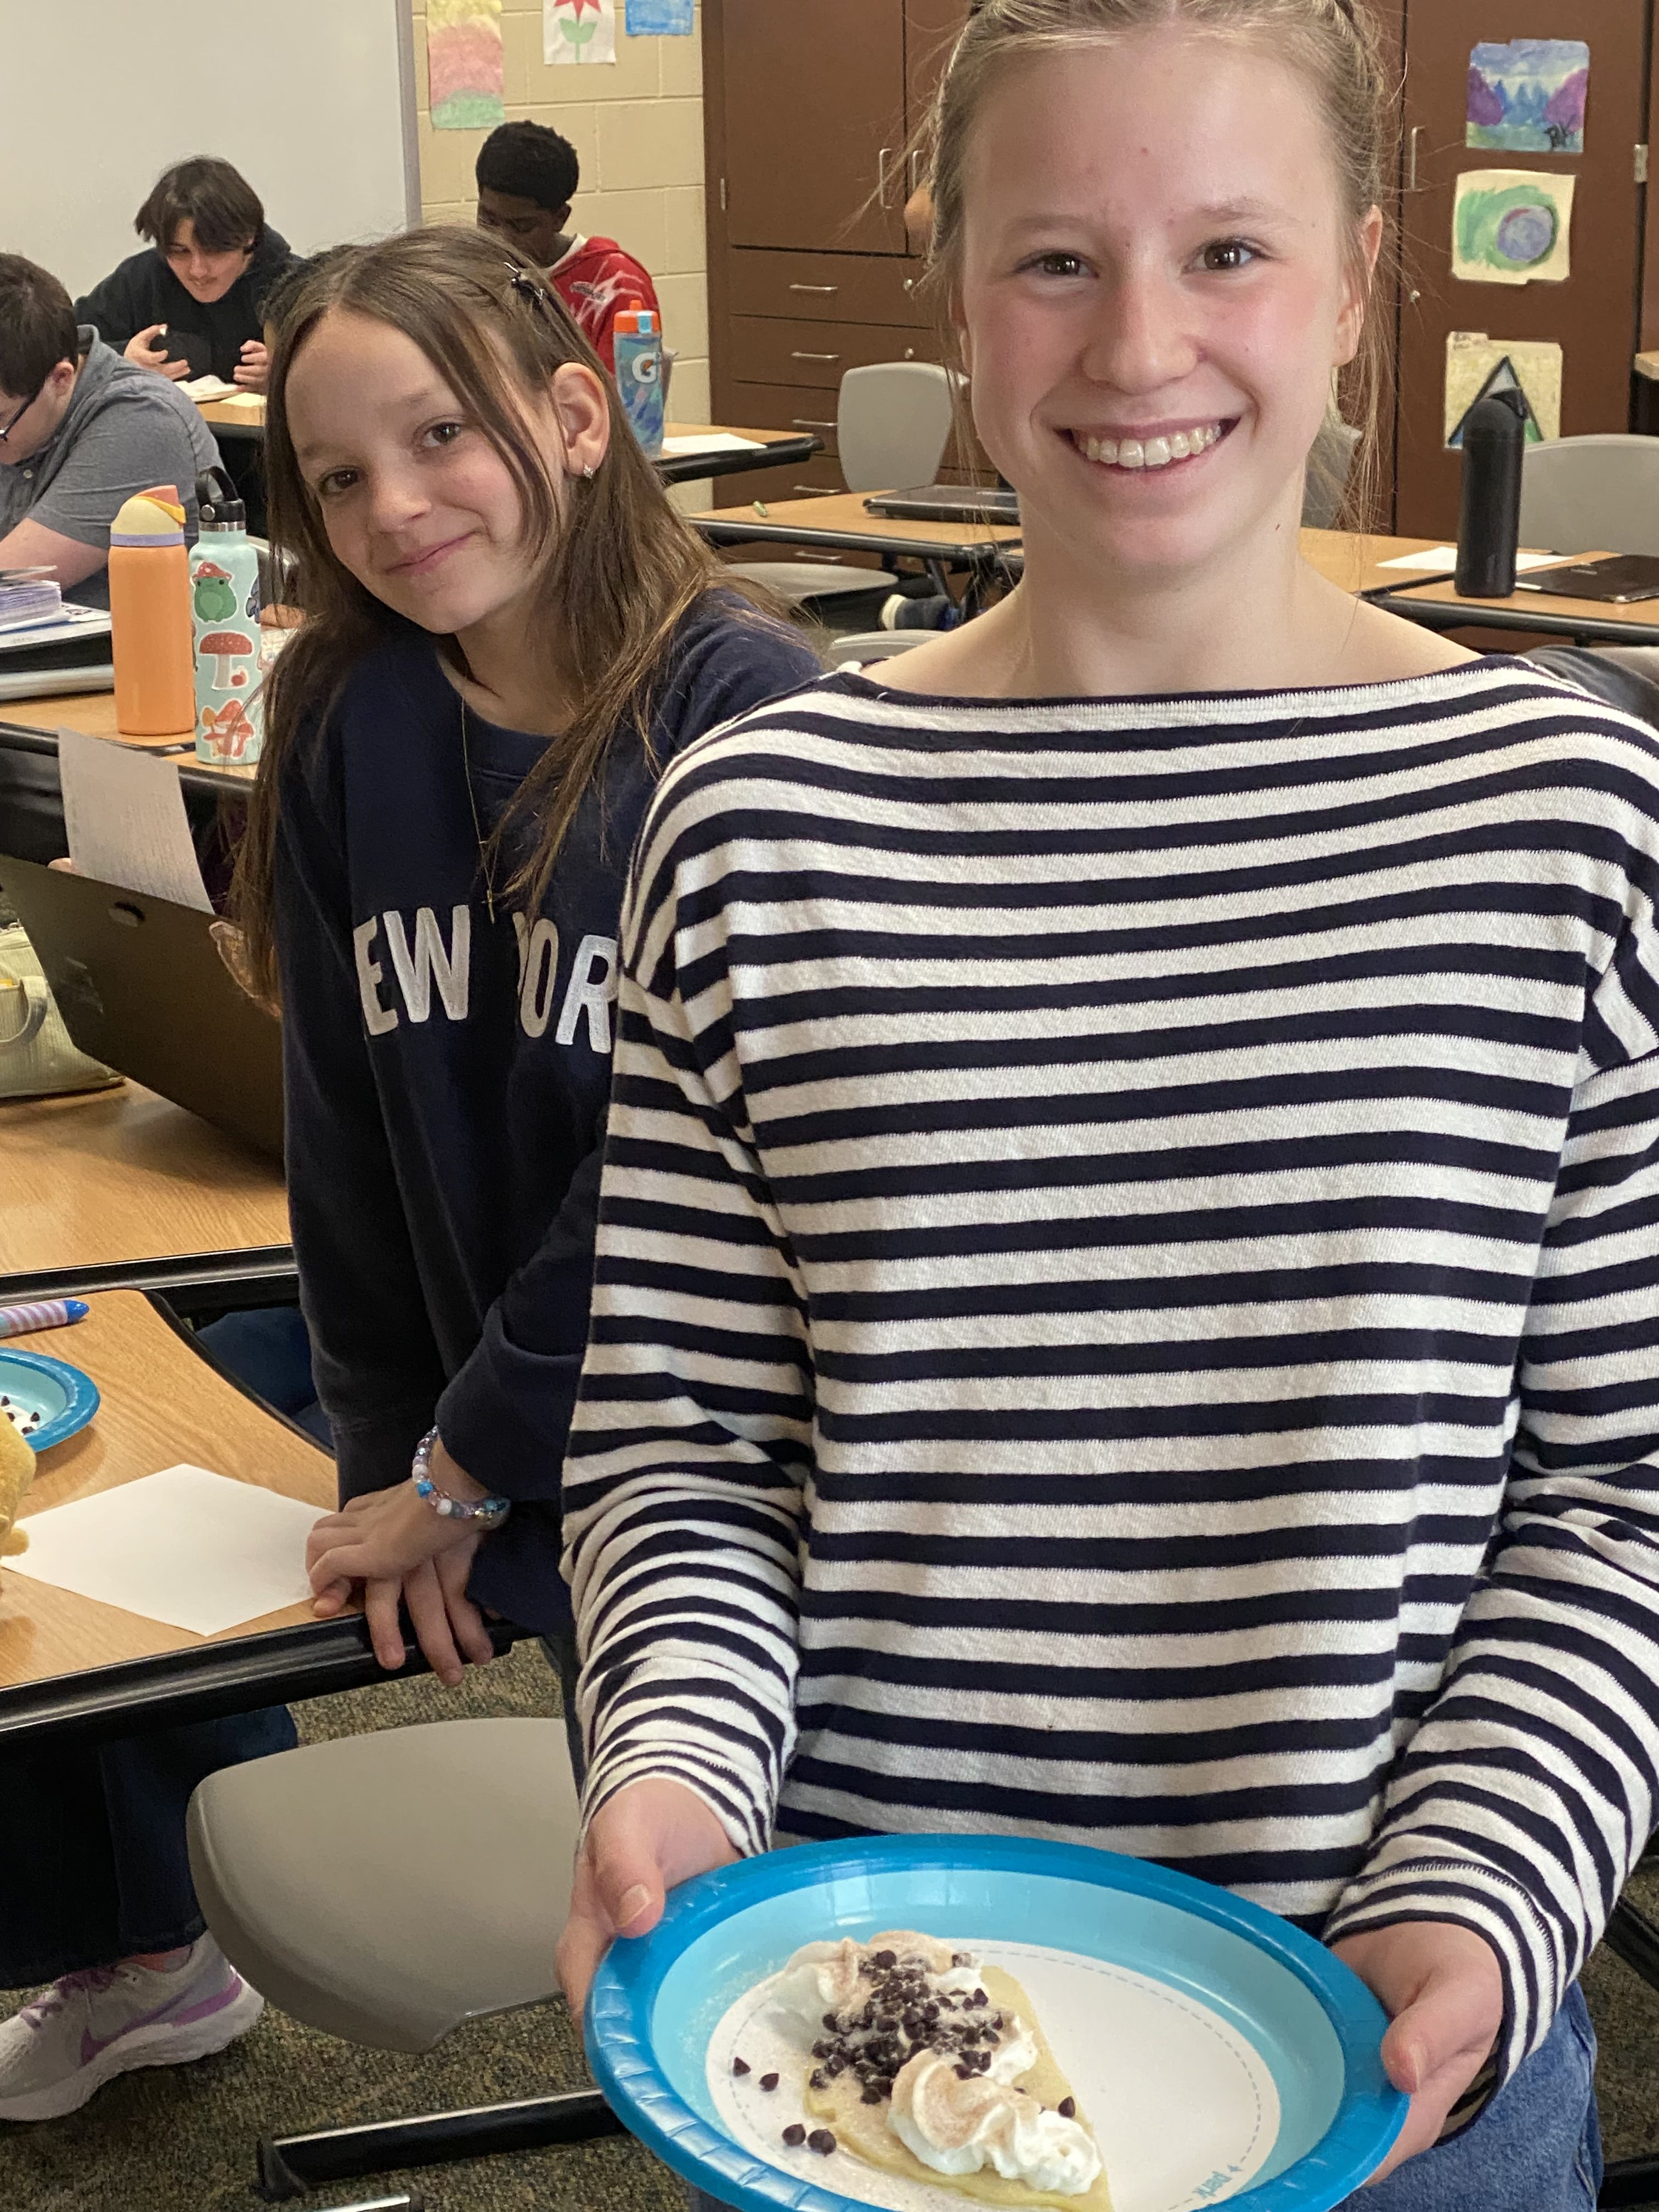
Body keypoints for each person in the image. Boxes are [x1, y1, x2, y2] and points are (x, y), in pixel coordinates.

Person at [557, 5, 1659, 2211]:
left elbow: (1619, 1491)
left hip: (1379, 2061)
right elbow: (687, 1447)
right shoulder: (765, 826)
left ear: (1353, 286)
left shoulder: (1568, 817)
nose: (1141, 345)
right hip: (862, 2034)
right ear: (958, 294)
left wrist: (1479, 1889)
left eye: (1228, 251)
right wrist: (670, 1760)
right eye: (1057, 260)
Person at [221, 228, 816, 1723]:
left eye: (440, 435)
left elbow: (679, 1178)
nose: (392, 507)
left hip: (730, 1487)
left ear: (573, 416)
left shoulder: (743, 709)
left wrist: (463, 1464)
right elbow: (344, 1131)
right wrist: (395, 1463)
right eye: (338, 477)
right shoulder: (348, 710)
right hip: (491, 1459)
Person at [0, 254, 219, 608]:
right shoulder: (21, 408)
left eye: (1, 421)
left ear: (61, 378)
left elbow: (10, 583)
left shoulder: (144, 419)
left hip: (131, 643)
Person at [75, 156, 295, 393]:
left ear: (248, 238)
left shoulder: (296, 285)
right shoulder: (140, 277)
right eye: (180, 252)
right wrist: (119, 362)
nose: (197, 270)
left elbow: (323, 382)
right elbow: (62, 346)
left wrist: (285, 378)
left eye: (213, 251)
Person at [476, 121, 662, 376]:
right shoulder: (470, 272)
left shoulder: (616, 285)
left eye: (521, 226)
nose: (500, 239)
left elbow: (628, 395)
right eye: (488, 219)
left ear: (560, 218)